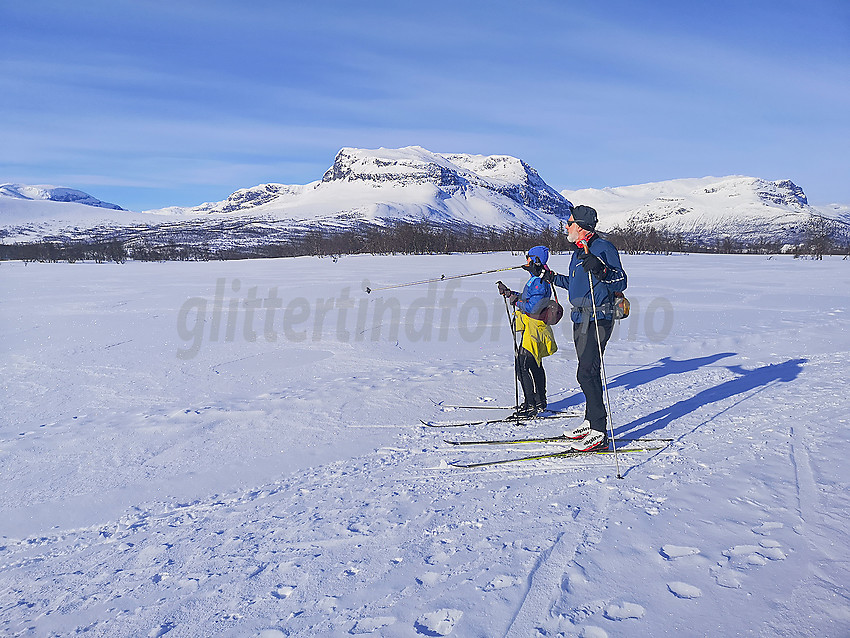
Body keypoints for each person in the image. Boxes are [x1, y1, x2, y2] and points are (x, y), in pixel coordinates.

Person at [543, 205, 627, 451]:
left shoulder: (603, 248)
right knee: (588, 371)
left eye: (569, 223)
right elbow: (574, 284)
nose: (566, 227)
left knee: (586, 373)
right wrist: (548, 276)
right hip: (579, 319)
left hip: (598, 318)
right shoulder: (578, 251)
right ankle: (590, 422)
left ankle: (599, 432)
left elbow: (620, 280)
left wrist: (601, 269)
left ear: (580, 226)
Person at [496, 246, 558, 418]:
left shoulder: (539, 281)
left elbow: (534, 306)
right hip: (533, 327)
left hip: (535, 329)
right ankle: (539, 401)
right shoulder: (536, 277)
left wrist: (516, 302)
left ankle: (531, 404)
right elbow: (527, 298)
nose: (526, 260)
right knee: (534, 364)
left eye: (528, 257)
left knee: (522, 365)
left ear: (535, 260)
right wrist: (510, 294)